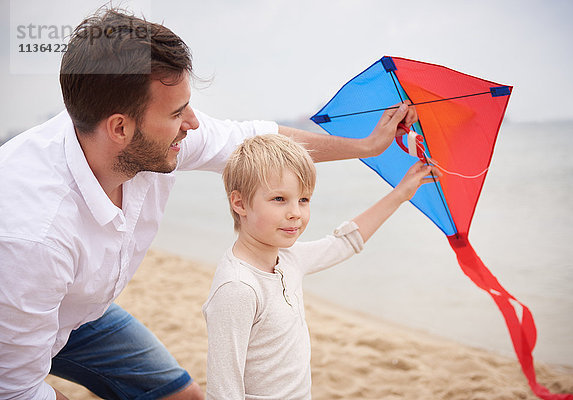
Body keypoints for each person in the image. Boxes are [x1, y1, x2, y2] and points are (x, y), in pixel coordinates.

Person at [0, 7, 419, 400]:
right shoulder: (33, 235)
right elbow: (16, 389)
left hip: (84, 311)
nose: (193, 124)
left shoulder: (154, 138)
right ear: (120, 128)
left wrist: (367, 146)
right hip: (16, 315)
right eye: (178, 113)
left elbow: (262, 141)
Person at [203, 134, 435, 399]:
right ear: (240, 203)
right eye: (279, 199)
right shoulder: (237, 288)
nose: (296, 213)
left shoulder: (287, 257)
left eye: (303, 200)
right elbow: (224, 390)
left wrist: (401, 194)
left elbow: (344, 243)